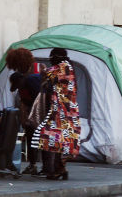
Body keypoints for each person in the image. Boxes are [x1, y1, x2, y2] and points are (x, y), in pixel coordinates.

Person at [33, 47, 80, 180]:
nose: (51, 60)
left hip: (61, 112)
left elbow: (45, 73)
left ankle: (57, 170)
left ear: (57, 57)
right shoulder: (69, 67)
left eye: (52, 58)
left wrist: (40, 68)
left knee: (54, 139)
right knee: (62, 141)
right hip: (68, 111)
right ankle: (60, 169)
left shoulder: (62, 67)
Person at [6, 47, 44, 176]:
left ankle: (43, 166)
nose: (16, 69)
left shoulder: (33, 76)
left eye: (17, 66)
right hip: (29, 113)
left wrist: (32, 116)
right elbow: (22, 98)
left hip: (39, 113)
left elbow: (39, 99)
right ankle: (33, 165)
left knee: (39, 138)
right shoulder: (22, 76)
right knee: (31, 138)